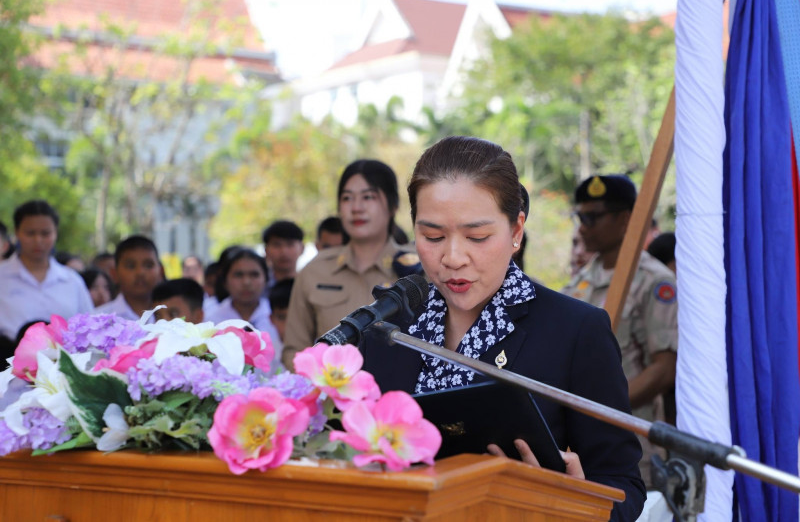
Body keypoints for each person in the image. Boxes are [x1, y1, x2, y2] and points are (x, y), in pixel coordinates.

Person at [358, 137, 644, 520]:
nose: (453, 258)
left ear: (516, 230)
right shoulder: (386, 329)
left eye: (477, 237)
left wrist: (577, 504)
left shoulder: (575, 331)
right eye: (432, 236)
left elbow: (622, 483)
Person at [561, 175, 678, 489]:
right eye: (580, 217)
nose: (583, 227)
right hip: (580, 444)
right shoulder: (580, 282)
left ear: (625, 219)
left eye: (592, 217)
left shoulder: (655, 281)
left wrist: (601, 410)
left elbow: (664, 369)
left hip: (632, 441)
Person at [282, 159, 422, 368]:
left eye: (368, 197)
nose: (356, 208)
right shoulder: (315, 271)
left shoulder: (419, 270)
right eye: (347, 198)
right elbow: (295, 350)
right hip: (331, 386)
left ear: (393, 205)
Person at [0, 200, 93, 342]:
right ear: (17, 232)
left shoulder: (72, 281)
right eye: (30, 233)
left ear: (56, 233)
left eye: (45, 233)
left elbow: (90, 328)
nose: (38, 240)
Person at [205, 248, 278, 344]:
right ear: (225, 281)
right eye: (238, 275)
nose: (246, 282)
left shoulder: (279, 317)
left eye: (254, 274)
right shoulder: (211, 321)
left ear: (266, 279)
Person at [94, 235, 163, 321]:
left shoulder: (173, 318)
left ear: (161, 272)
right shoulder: (98, 320)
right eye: (130, 266)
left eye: (148, 265)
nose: (140, 272)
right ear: (114, 274)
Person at [262, 220, 304, 294]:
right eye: (277, 245)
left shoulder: (310, 284)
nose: (284, 252)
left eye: (290, 244)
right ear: (266, 250)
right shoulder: (258, 288)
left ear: (302, 248)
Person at [267, 278, 294, 370]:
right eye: (282, 317)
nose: (289, 324)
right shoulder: (265, 356)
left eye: (296, 317)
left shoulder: (322, 350)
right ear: (271, 319)